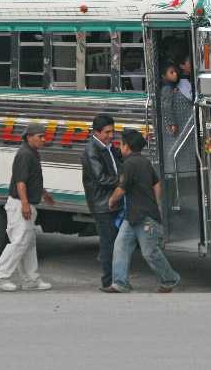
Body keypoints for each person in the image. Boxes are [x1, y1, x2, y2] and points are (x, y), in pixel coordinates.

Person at [106, 129, 180, 293]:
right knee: (121, 246)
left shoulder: (129, 164)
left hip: (143, 217)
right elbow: (157, 183)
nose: (119, 147)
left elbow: (121, 188)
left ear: (127, 146)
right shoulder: (144, 162)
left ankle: (170, 279)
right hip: (133, 215)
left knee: (150, 252)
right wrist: (156, 202)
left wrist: (111, 200)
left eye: (121, 144)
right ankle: (120, 283)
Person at [0, 123, 55, 292]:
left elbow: (33, 179)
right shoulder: (25, 155)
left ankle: (30, 279)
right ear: (29, 137)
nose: (43, 139)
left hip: (26, 203)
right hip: (20, 204)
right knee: (19, 242)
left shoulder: (33, 153)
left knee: (28, 242)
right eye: (40, 136)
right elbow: (20, 182)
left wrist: (44, 194)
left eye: (44, 136)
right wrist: (25, 204)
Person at [81, 114, 122, 291]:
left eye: (112, 131)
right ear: (96, 132)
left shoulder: (109, 147)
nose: (111, 135)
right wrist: (123, 181)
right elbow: (100, 178)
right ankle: (108, 281)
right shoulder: (92, 151)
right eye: (107, 132)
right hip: (102, 204)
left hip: (113, 202)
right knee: (108, 243)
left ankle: (117, 278)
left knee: (116, 242)